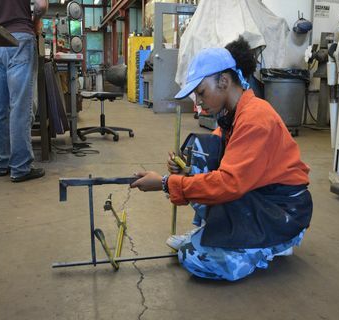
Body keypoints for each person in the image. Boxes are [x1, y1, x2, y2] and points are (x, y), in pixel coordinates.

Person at [131, 36, 313, 281]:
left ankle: (269, 245)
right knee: (200, 153)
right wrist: (183, 167)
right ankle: (220, 235)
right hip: (258, 196)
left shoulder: (255, 119)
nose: (199, 101)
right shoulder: (234, 115)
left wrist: (165, 183)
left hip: (281, 212)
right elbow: (211, 160)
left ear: (224, 81)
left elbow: (228, 184)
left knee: (194, 257)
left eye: (202, 92)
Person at [0, 0, 48, 182]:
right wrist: (35, 22)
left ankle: (1, 164)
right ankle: (20, 167)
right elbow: (41, 5)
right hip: (19, 37)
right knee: (19, 107)